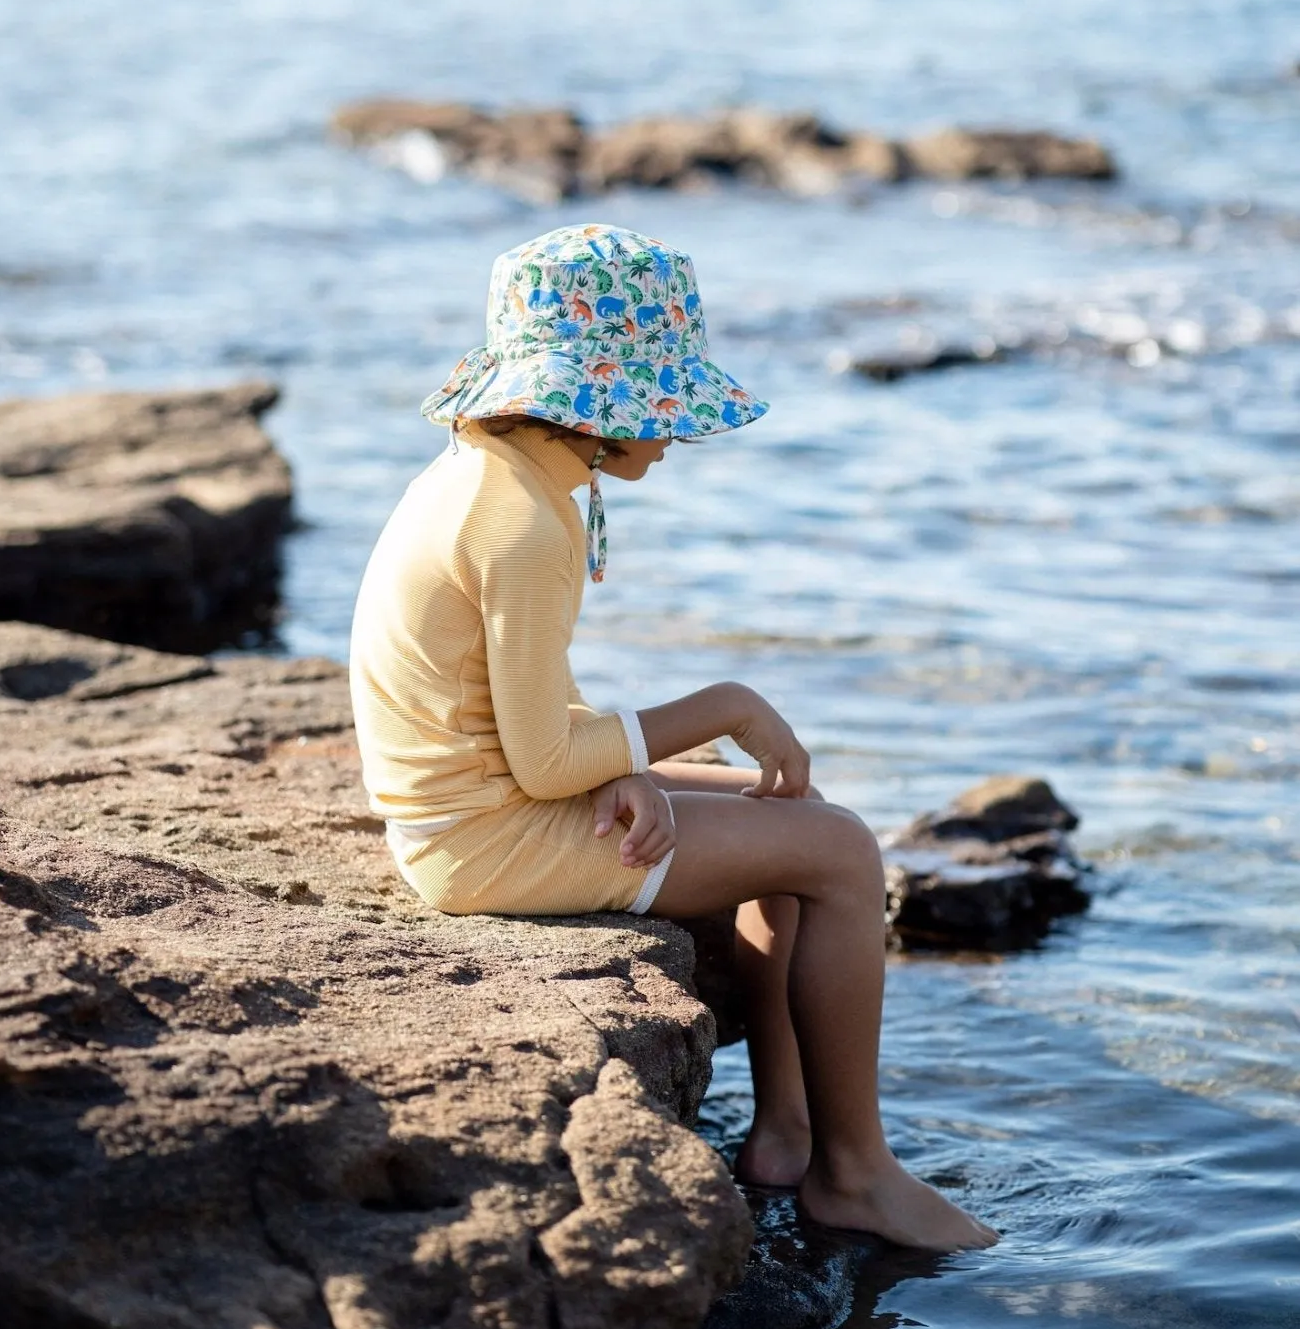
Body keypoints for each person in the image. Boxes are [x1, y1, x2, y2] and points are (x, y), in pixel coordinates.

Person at [350, 223, 995, 1252]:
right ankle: (857, 1172)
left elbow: (526, 704)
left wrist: (633, 766)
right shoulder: (522, 526)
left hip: (479, 801)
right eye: (664, 409)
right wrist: (727, 703)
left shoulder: (490, 474)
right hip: (484, 840)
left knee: (794, 816)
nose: (672, 435)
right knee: (843, 852)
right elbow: (542, 761)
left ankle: (787, 1131)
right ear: (593, 404)